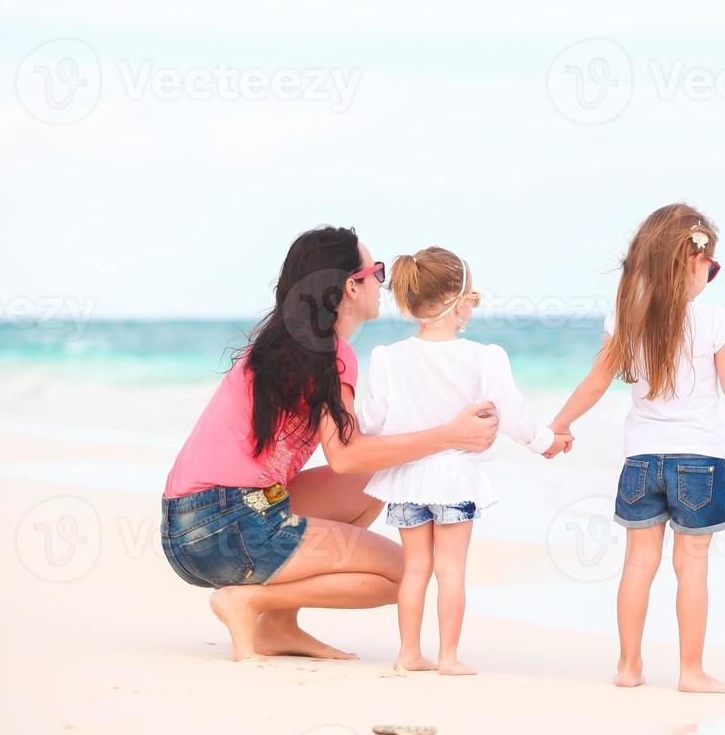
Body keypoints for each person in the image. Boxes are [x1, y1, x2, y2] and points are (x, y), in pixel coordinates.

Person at [159, 226, 500, 661]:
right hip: (227, 526)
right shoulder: (331, 355)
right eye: (376, 272)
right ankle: (250, 603)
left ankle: (278, 628)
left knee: (381, 479)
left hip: (190, 526)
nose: (383, 281)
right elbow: (346, 456)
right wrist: (449, 436)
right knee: (405, 574)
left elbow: (361, 457)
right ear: (350, 288)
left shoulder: (286, 345)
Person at [549, 204, 725, 692]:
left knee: (638, 564)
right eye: (712, 266)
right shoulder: (715, 320)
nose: (712, 276)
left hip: (641, 460)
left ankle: (628, 667)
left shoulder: (624, 315)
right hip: (698, 460)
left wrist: (560, 423)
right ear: (692, 262)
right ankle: (691, 671)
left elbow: (598, 380)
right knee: (692, 567)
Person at [360, 247, 571, 676]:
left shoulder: (387, 357)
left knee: (415, 568)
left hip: (404, 479)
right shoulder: (484, 356)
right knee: (451, 569)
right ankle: (449, 657)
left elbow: (371, 421)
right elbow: (513, 415)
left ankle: (407, 654)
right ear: (460, 300)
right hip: (454, 477)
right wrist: (545, 442)